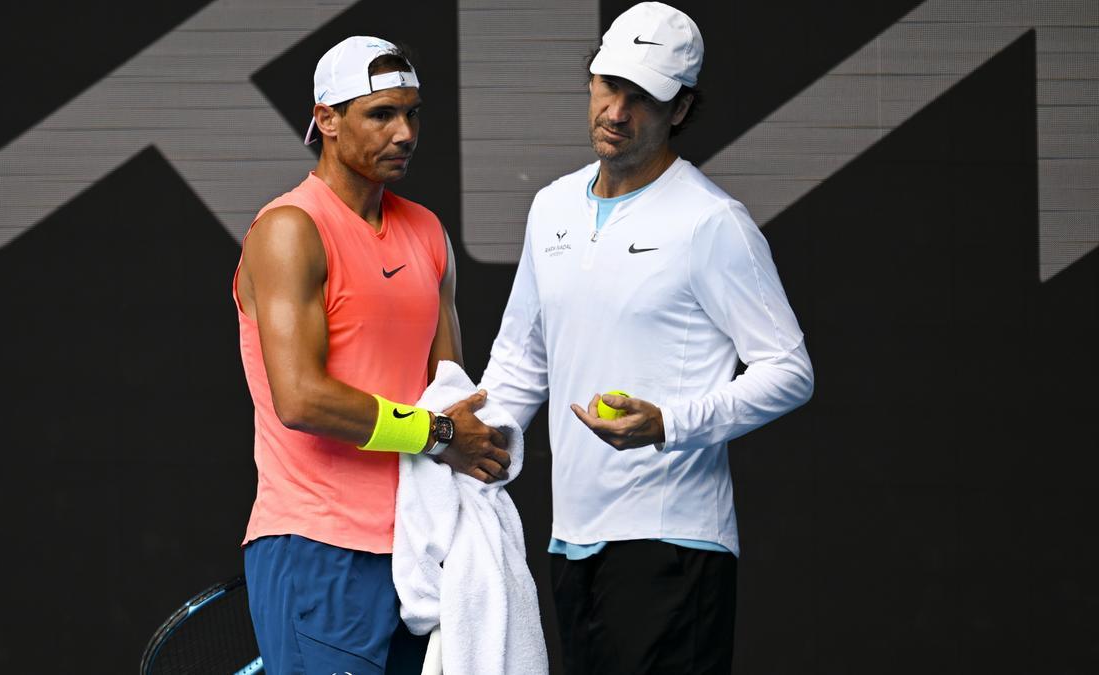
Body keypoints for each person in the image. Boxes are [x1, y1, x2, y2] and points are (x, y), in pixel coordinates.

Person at [479, 3, 815, 673]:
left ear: (680, 109)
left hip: (674, 542)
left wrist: (670, 423)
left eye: (643, 97)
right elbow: (522, 354)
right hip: (572, 541)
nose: (617, 110)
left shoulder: (713, 222)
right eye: (608, 84)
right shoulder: (550, 207)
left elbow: (790, 369)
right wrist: (480, 441)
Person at [232, 36, 511, 675]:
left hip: (419, 549)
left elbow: (447, 388)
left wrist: (469, 436)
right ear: (326, 119)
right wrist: (440, 436)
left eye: (412, 113)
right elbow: (300, 398)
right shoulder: (288, 230)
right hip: (317, 547)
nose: (405, 132)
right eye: (381, 114)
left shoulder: (428, 231)